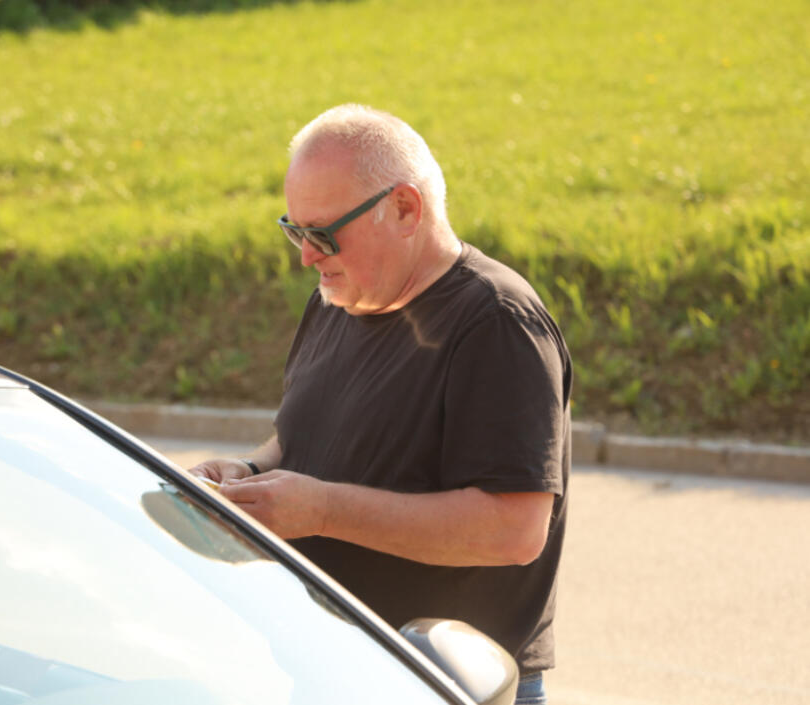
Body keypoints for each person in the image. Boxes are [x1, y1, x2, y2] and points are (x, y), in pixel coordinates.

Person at [190, 104, 571, 705]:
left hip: (444, 686)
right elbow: (301, 438)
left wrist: (320, 511)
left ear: (404, 209)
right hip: (329, 670)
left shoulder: (496, 322)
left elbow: (515, 530)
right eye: (293, 231)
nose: (305, 257)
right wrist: (249, 472)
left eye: (321, 234)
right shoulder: (338, 298)